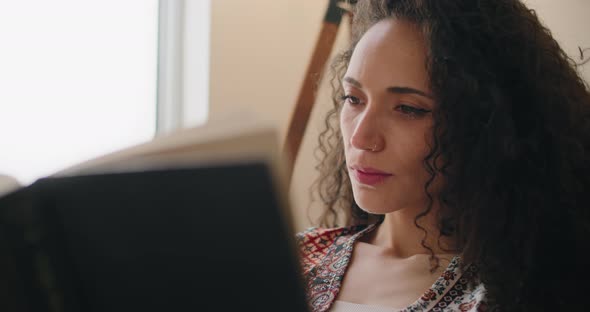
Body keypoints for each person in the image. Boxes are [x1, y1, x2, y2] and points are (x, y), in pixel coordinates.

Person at [296, 0, 590, 311]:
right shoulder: (295, 257)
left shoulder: (522, 294)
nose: (361, 138)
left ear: (488, 124)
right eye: (354, 99)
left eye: (409, 109)